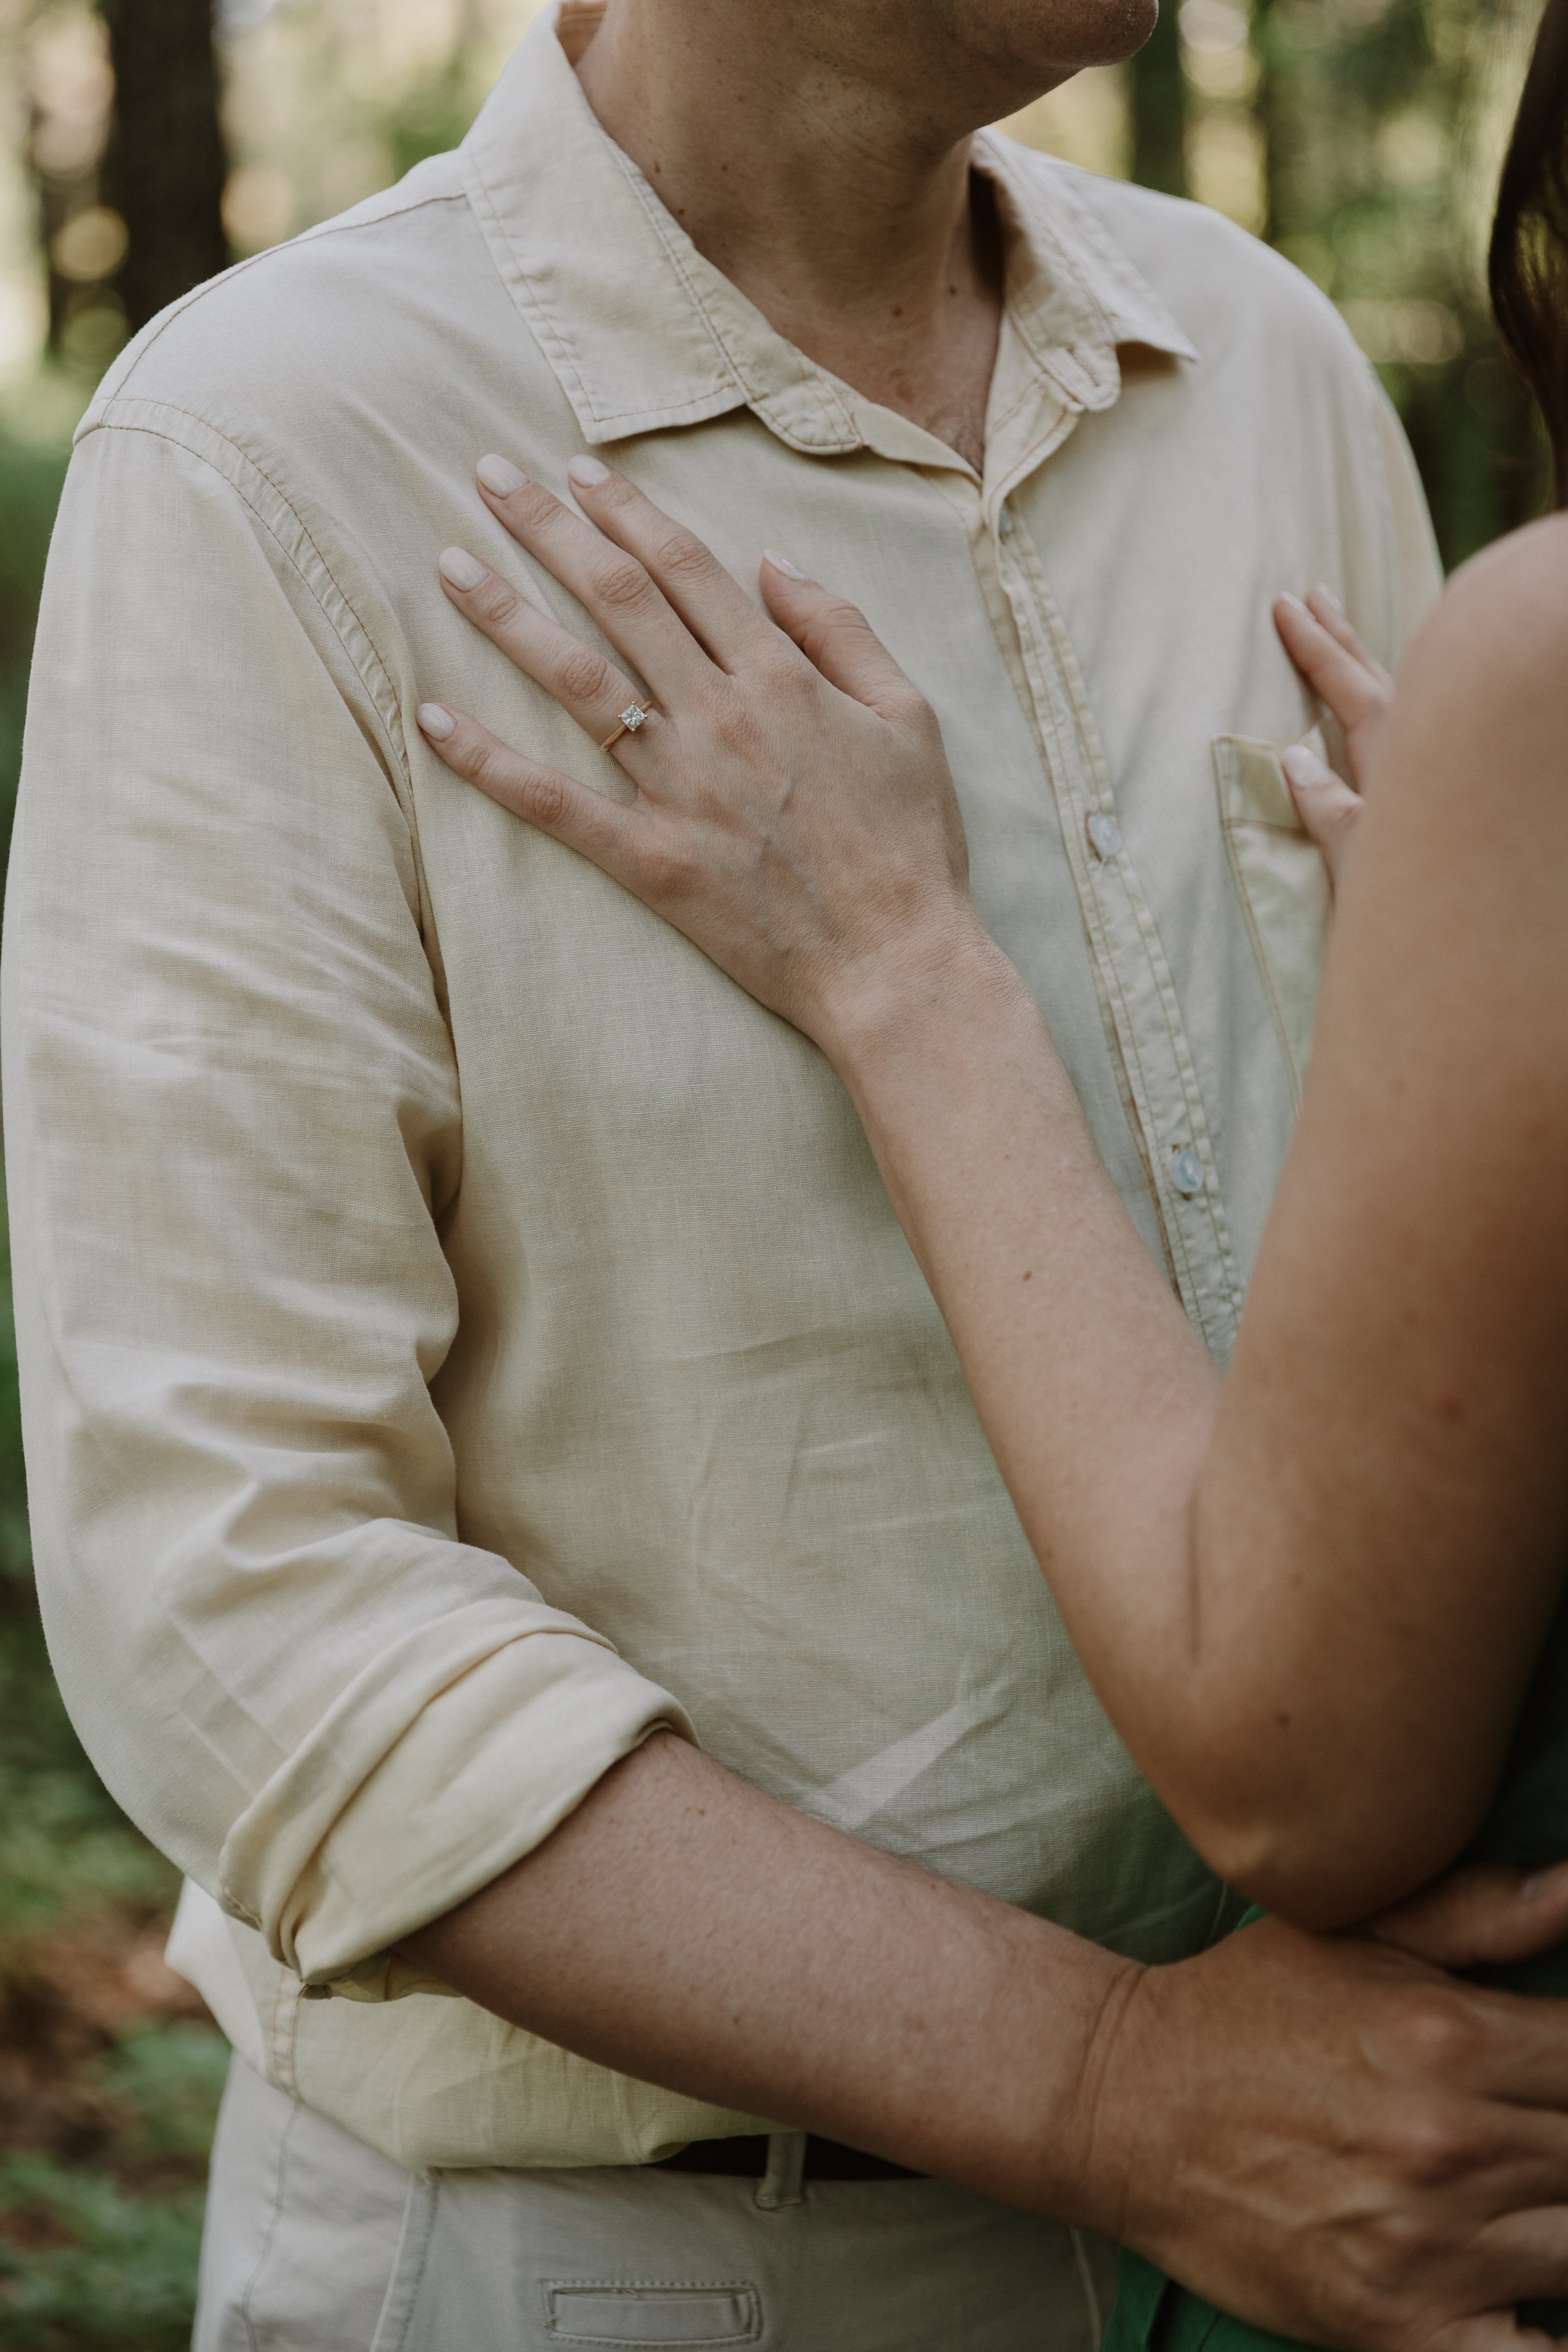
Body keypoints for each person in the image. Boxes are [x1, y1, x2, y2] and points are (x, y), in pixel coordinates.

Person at [9, 0, 1568, 2343]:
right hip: (634, 2271)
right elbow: (244, 1607)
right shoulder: (270, 451)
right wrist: (1104, 2081)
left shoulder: (1261, 362)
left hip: (1341, 2250)